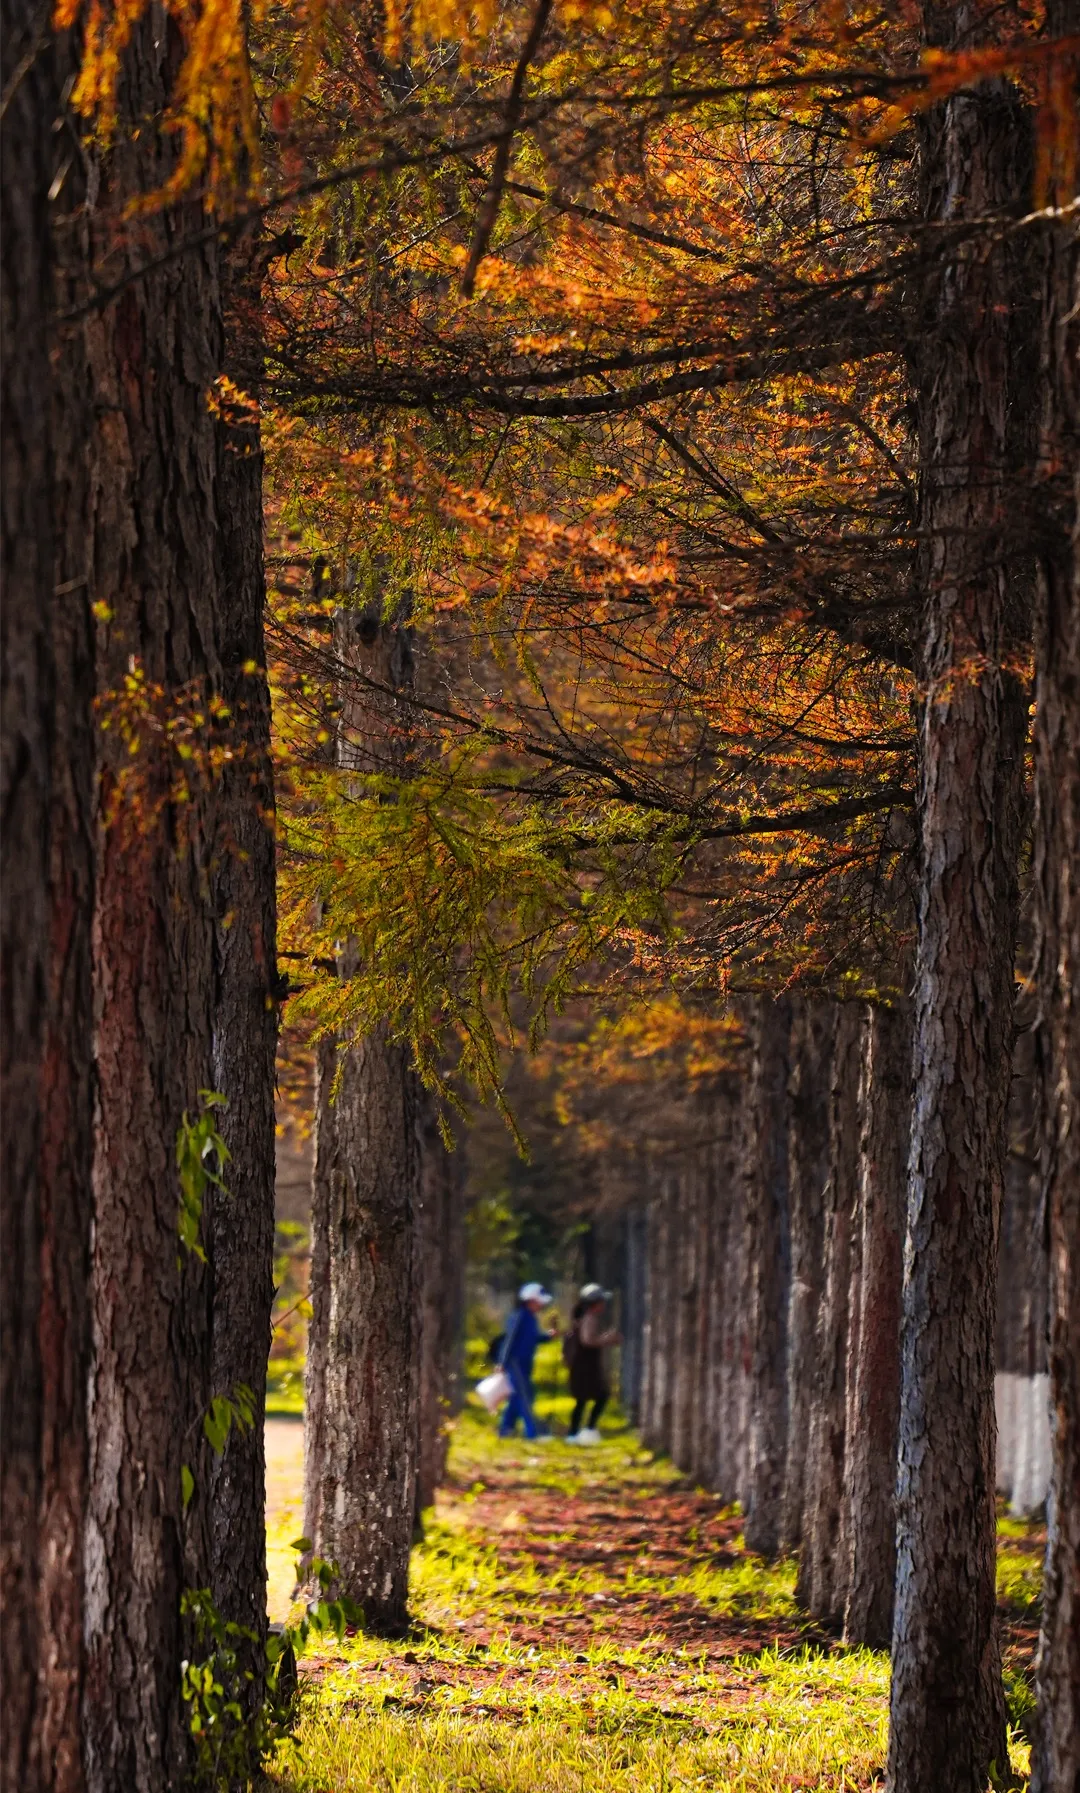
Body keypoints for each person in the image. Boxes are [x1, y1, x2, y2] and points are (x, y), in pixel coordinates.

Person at [498, 1282, 556, 1440]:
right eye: (539, 1301)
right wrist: (502, 1363)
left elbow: (533, 1338)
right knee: (525, 1397)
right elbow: (509, 1340)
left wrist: (548, 1336)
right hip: (515, 1363)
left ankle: (506, 1429)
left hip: (525, 1364)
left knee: (516, 1397)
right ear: (531, 1300)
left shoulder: (531, 1318)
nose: (542, 1304)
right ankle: (533, 1433)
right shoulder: (519, 1316)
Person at [565, 1283, 621, 1443]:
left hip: (583, 1365)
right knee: (599, 1396)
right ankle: (585, 1430)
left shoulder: (583, 1317)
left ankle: (575, 1433)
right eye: (602, 1302)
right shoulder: (589, 1318)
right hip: (585, 1367)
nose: (604, 1305)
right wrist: (608, 1339)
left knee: (583, 1400)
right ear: (595, 1303)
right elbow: (588, 1340)